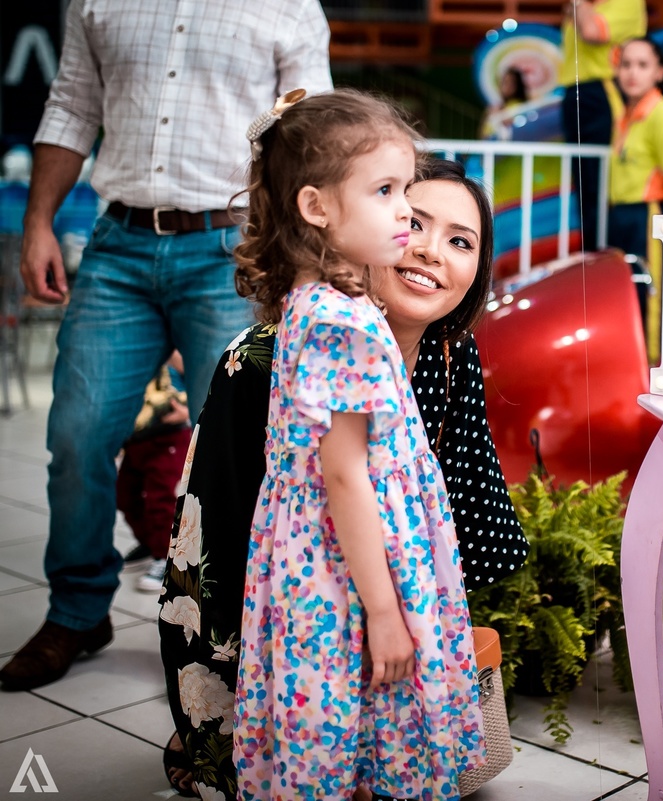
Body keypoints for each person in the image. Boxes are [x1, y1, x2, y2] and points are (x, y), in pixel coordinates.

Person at [160, 106, 515, 795]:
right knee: (346, 720)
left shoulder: (325, 306)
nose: (414, 229)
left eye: (459, 239)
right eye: (392, 196)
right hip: (341, 573)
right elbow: (343, 477)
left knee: (349, 719)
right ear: (318, 207)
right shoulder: (340, 325)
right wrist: (390, 611)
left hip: (336, 565)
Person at [0, 0, 333, 692]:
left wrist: (306, 257)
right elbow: (70, 107)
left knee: (243, 449)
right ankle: (78, 609)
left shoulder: (288, 5)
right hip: (117, 245)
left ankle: (238, 627)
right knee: (77, 433)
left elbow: (313, 134)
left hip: (230, 247)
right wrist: (39, 222)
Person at [607, 36, 663, 360]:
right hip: (623, 217)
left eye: (642, 65)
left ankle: (650, 374)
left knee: (650, 297)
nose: (632, 73)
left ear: (659, 72)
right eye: (626, 64)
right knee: (629, 296)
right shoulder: (627, 115)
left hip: (648, 219)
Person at [559, 0, 646, 252]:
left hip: (604, 92)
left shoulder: (627, 3)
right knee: (587, 190)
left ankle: (610, 258)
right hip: (578, 92)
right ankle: (595, 259)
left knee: (602, 186)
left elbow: (591, 32)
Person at [116, 351, 192, 593]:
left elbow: (201, 371)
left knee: (161, 499)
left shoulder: (175, 344)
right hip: (135, 435)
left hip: (169, 432)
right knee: (125, 495)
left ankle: (165, 557)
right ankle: (150, 544)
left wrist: (190, 409)